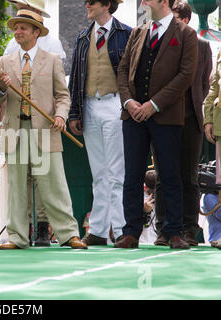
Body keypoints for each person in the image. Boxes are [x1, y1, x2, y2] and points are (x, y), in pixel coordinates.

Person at [0, 9, 87, 250]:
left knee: (54, 184)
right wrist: (1, 89)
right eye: (16, 27)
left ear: (36, 32)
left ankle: (68, 234)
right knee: (16, 187)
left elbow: (63, 96)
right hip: (15, 130)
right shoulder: (5, 62)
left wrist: (61, 115)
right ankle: (17, 237)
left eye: (23, 27)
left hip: (45, 129)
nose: (18, 31)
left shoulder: (52, 59)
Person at [115, 0, 198, 249]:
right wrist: (129, 101)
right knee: (132, 176)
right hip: (134, 117)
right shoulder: (138, 32)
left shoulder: (186, 34)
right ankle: (130, 232)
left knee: (170, 175)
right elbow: (123, 70)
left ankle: (173, 232)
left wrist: (154, 104)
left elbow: (186, 75)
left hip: (166, 116)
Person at [68, 0, 130, 246]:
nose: (86, 6)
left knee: (116, 171)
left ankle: (123, 228)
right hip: (89, 105)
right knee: (98, 172)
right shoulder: (83, 37)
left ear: (106, 4)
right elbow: (74, 77)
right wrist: (74, 113)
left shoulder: (127, 34)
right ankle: (98, 231)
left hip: (116, 103)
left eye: (91, 2)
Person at [154, 2, 212, 247]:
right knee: (162, 177)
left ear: (186, 20)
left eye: (176, 18)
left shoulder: (203, 46)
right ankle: (164, 229)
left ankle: (189, 229)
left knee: (189, 177)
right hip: (164, 117)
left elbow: (205, 84)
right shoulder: (159, 42)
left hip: (190, 119)